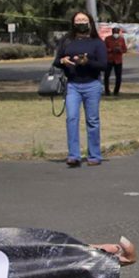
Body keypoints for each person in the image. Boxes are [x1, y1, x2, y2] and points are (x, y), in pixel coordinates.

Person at [53, 11, 108, 168]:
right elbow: (56, 61)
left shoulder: (97, 42)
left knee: (92, 120)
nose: (81, 22)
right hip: (72, 85)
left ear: (90, 23)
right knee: (71, 118)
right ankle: (74, 155)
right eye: (78, 20)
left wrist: (86, 62)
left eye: (84, 20)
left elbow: (103, 65)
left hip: (92, 85)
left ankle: (95, 155)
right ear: (73, 23)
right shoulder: (67, 41)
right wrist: (63, 61)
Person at [102, 24, 127, 95]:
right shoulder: (108, 39)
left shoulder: (121, 39)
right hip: (109, 60)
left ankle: (116, 91)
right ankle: (107, 91)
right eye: (114, 32)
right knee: (106, 76)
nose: (115, 34)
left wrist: (120, 50)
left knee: (118, 76)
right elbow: (104, 49)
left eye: (117, 32)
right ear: (112, 32)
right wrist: (111, 49)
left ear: (119, 32)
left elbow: (125, 49)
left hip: (118, 60)